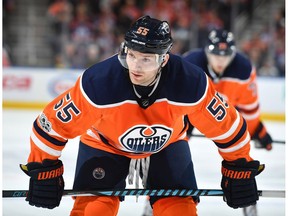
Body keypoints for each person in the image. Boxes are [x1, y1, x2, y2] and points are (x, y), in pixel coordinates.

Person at [20, 16, 264, 216]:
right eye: (132, 55)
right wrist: (44, 168)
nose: (136, 66)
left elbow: (228, 126)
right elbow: (50, 125)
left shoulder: (191, 83)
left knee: (179, 211)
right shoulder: (98, 83)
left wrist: (238, 165)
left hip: (167, 144)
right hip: (105, 144)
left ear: (164, 59)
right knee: (94, 210)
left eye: (146, 59)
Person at [183, 29, 273, 151]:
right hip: (191, 111)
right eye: (216, 54)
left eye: (225, 55)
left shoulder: (244, 70)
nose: (220, 60)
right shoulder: (189, 65)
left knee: (237, 150)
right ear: (207, 53)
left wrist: (256, 130)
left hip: (227, 111)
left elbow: (249, 108)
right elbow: (174, 103)